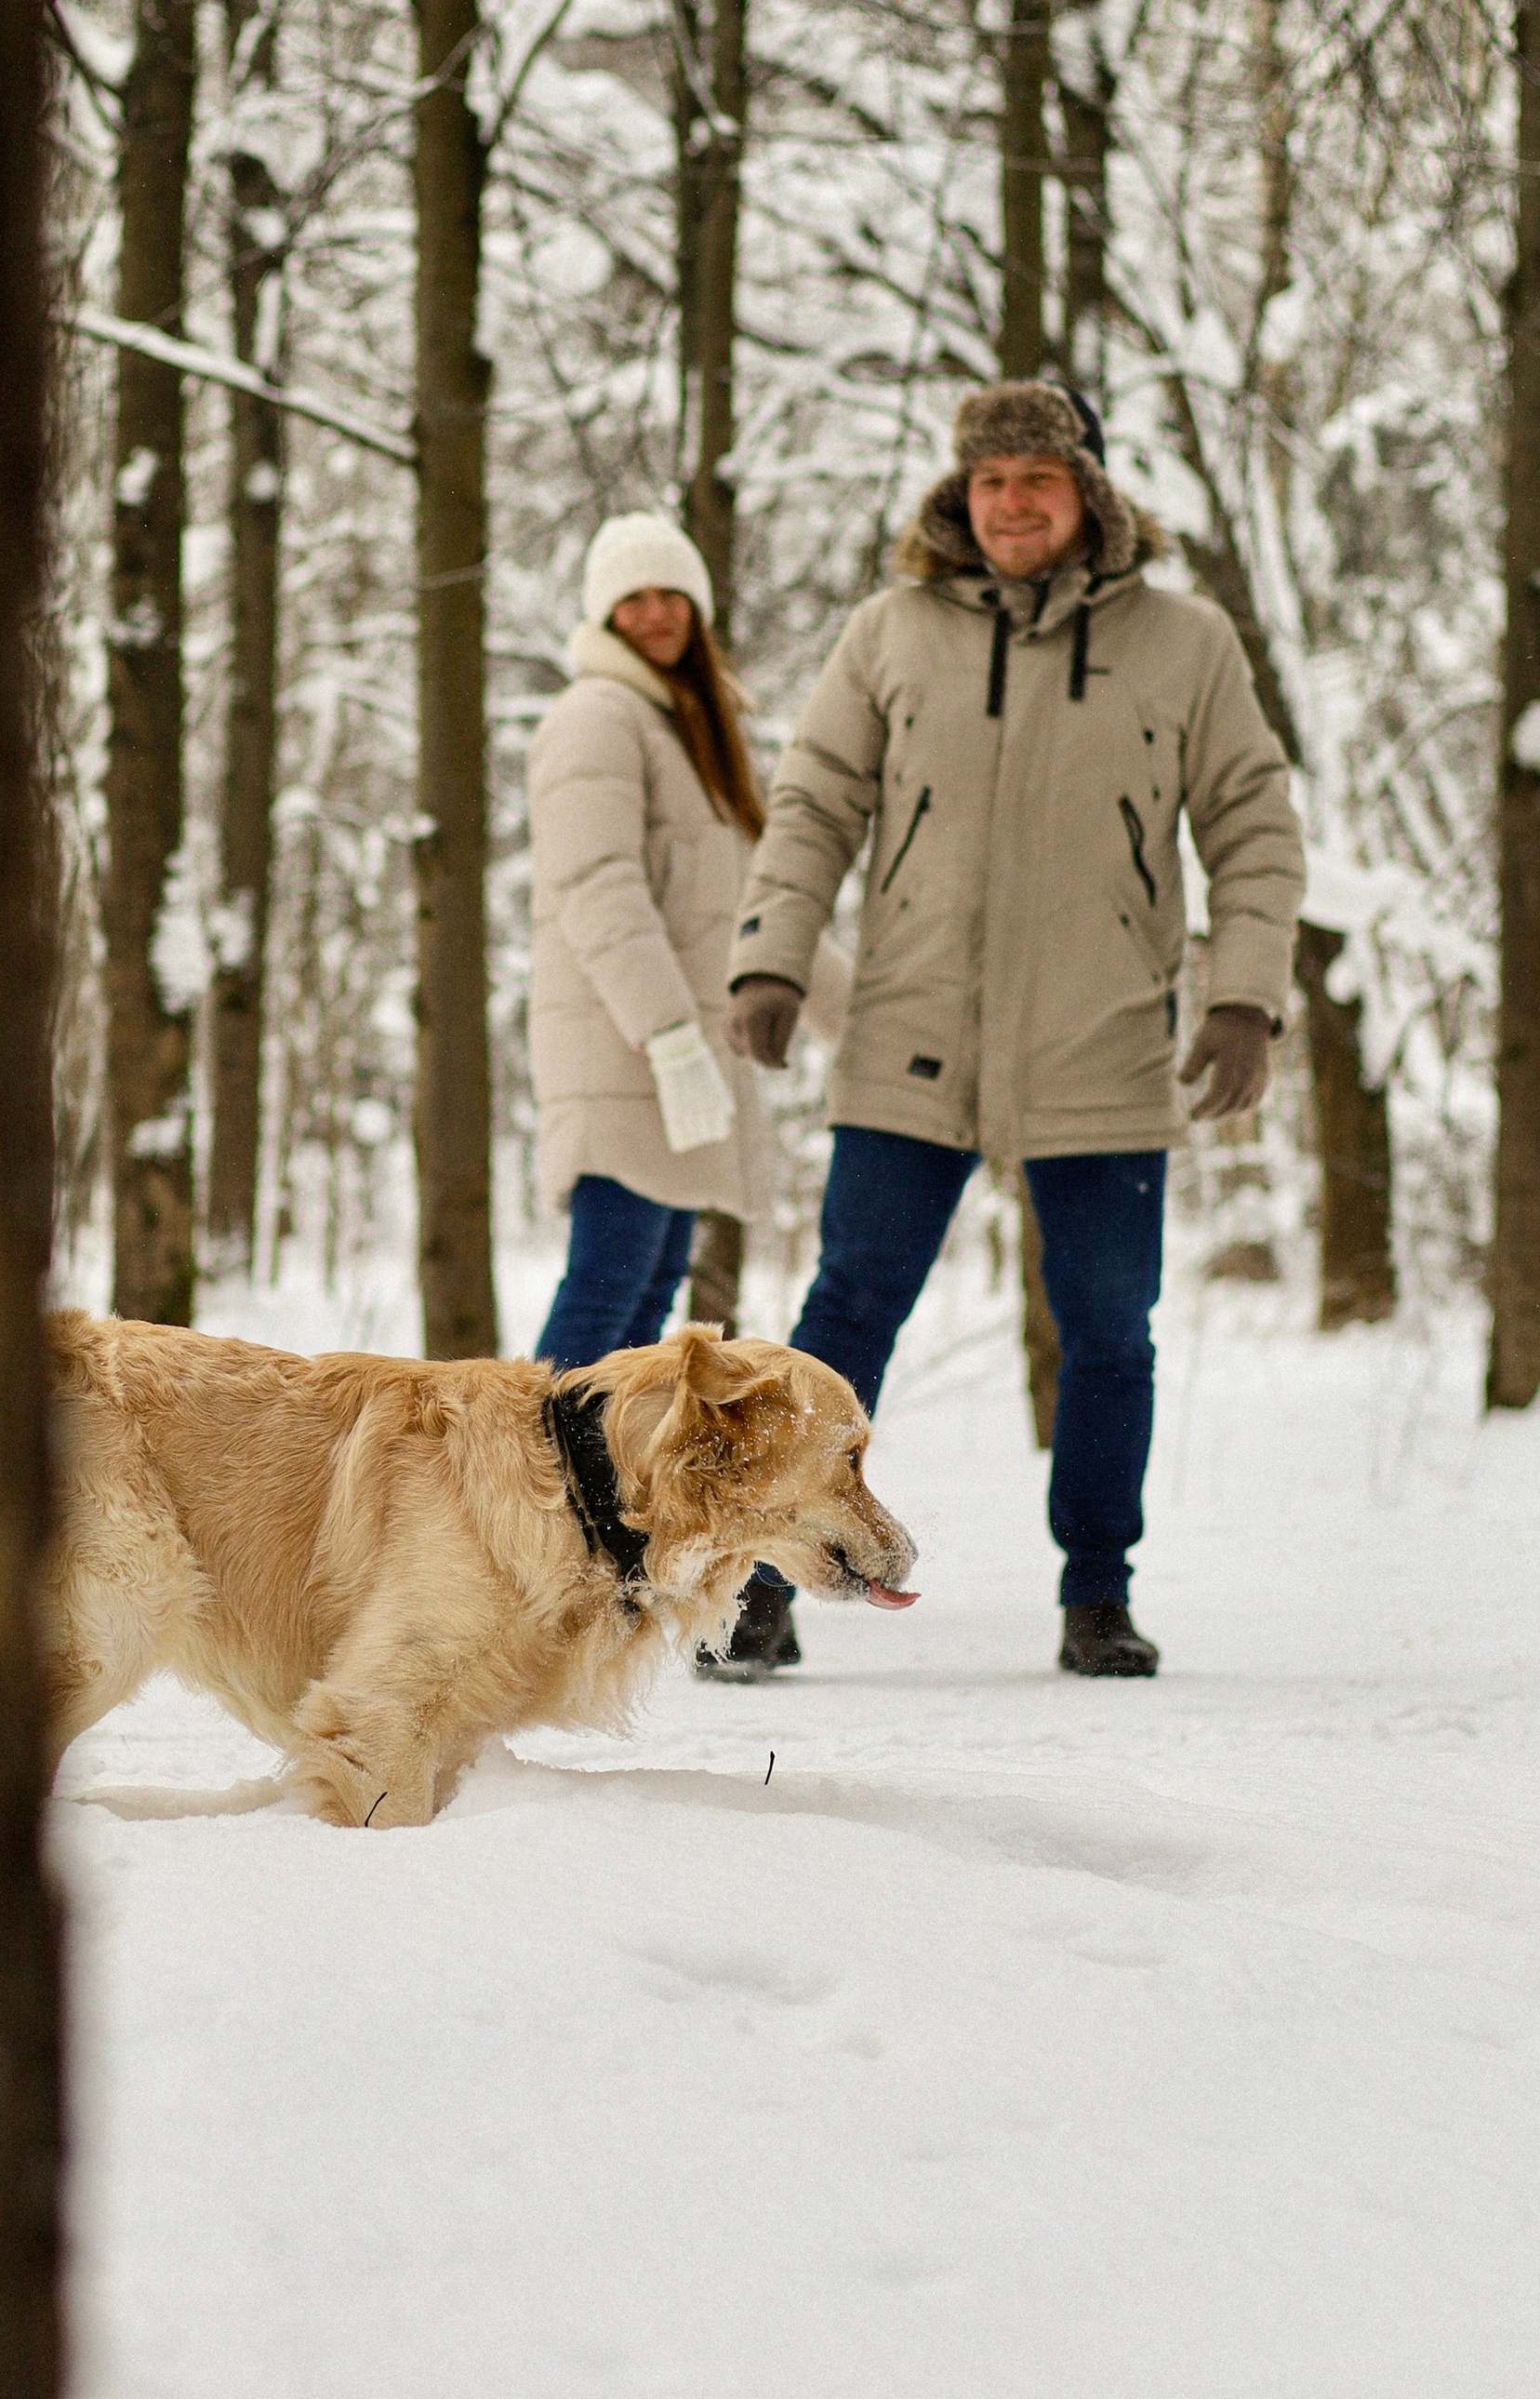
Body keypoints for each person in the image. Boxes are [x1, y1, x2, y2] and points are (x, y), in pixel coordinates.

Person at [720, 380, 1306, 1677]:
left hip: (1100, 1039)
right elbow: (814, 803)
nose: (1013, 502)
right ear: (960, 495)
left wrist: (1243, 996)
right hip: (913, 1036)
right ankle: (767, 1579)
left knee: (1110, 1327)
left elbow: (1254, 824)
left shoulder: (1185, 643)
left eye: (1039, 479)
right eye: (991, 482)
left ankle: (1098, 1590)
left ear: (1089, 493)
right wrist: (769, 955)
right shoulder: (893, 631)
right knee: (847, 1317)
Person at [526, 513, 777, 1376]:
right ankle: (520, 1489)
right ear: (604, 616)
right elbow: (598, 886)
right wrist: (669, 1037)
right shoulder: (597, 716)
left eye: (673, 593)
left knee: (648, 1292)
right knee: (608, 1288)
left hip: (679, 1063)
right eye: (633, 598)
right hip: (624, 1052)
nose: (657, 611)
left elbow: (750, 907)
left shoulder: (693, 730)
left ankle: (599, 1497)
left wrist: (858, 1016)